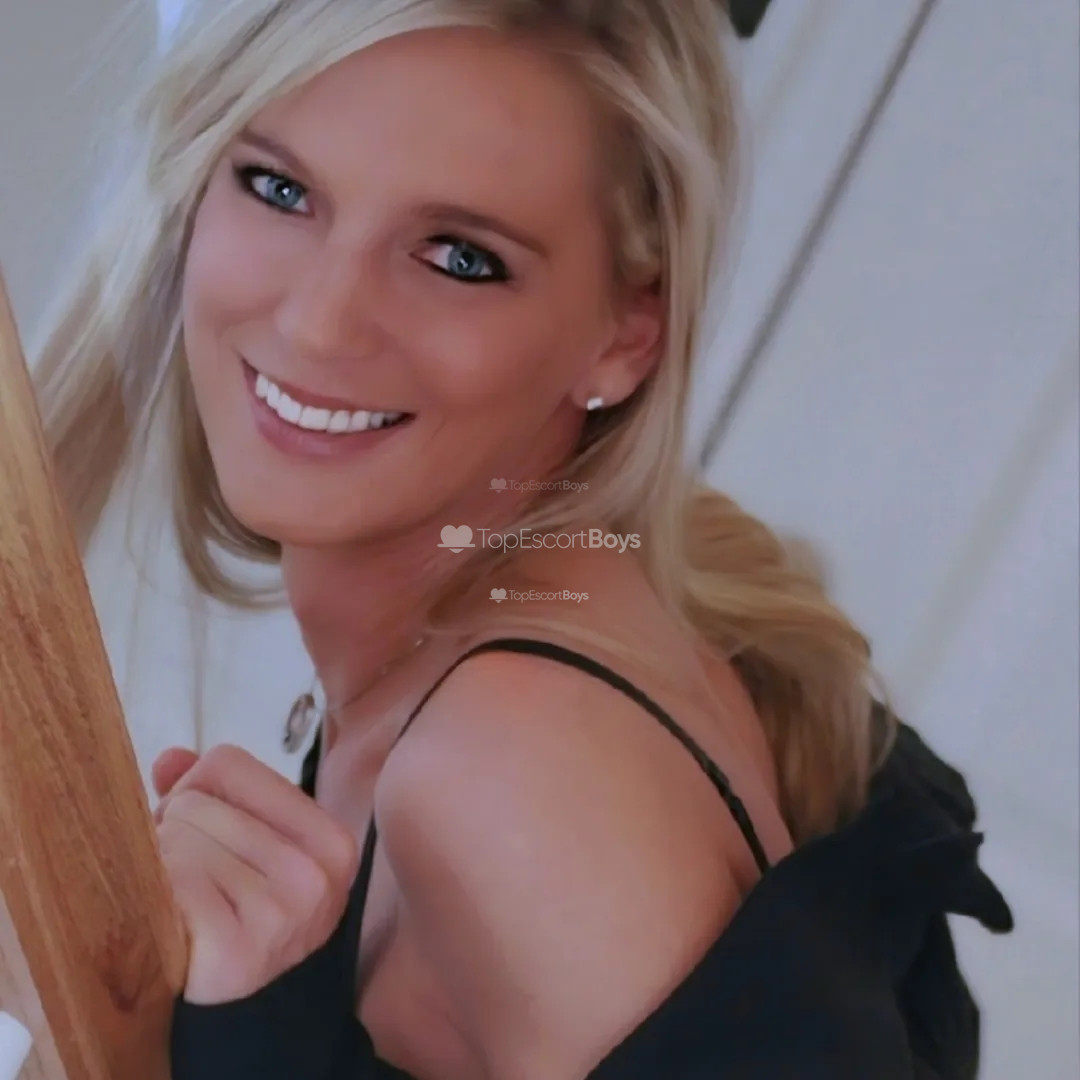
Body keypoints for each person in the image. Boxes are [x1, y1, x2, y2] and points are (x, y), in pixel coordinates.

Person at [33, 1, 1013, 1076]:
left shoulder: (509, 768)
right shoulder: (609, 580)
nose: (319, 321)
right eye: (279, 188)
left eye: (460, 257)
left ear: (628, 332)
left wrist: (180, 1028)